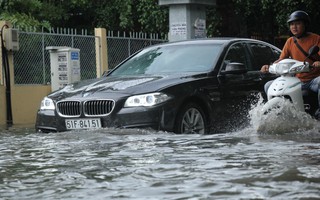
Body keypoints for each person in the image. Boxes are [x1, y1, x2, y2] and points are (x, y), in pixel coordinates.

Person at [260, 10, 320, 118]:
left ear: (305, 24)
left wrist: (318, 63)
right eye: (292, 24)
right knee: (268, 85)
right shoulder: (290, 41)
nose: (294, 27)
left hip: (313, 80)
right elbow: (281, 59)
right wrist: (269, 67)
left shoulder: (316, 39)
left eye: (297, 23)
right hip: (296, 80)